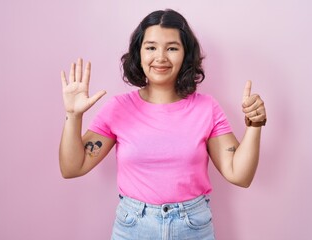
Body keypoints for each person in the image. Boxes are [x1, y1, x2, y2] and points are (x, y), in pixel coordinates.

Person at [59, 9, 267, 240]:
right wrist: (73, 115)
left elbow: (240, 175)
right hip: (133, 227)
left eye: (172, 48)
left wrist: (255, 124)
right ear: (139, 53)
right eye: (151, 47)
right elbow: (72, 168)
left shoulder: (207, 108)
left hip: (193, 227)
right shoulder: (118, 108)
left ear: (185, 54)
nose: (160, 57)